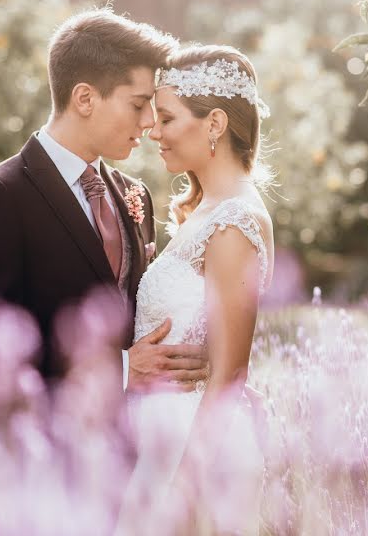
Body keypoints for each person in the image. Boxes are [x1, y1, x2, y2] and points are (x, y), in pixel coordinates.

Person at [0, 8, 209, 401]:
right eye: (138, 104)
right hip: (45, 448)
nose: (149, 123)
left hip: (137, 440)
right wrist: (120, 369)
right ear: (85, 98)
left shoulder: (135, 194)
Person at [117, 44, 275, 535]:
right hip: (157, 442)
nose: (152, 131)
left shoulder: (234, 222)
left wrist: (182, 497)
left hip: (194, 455)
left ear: (215, 124)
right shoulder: (205, 212)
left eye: (166, 118)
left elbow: (228, 376)